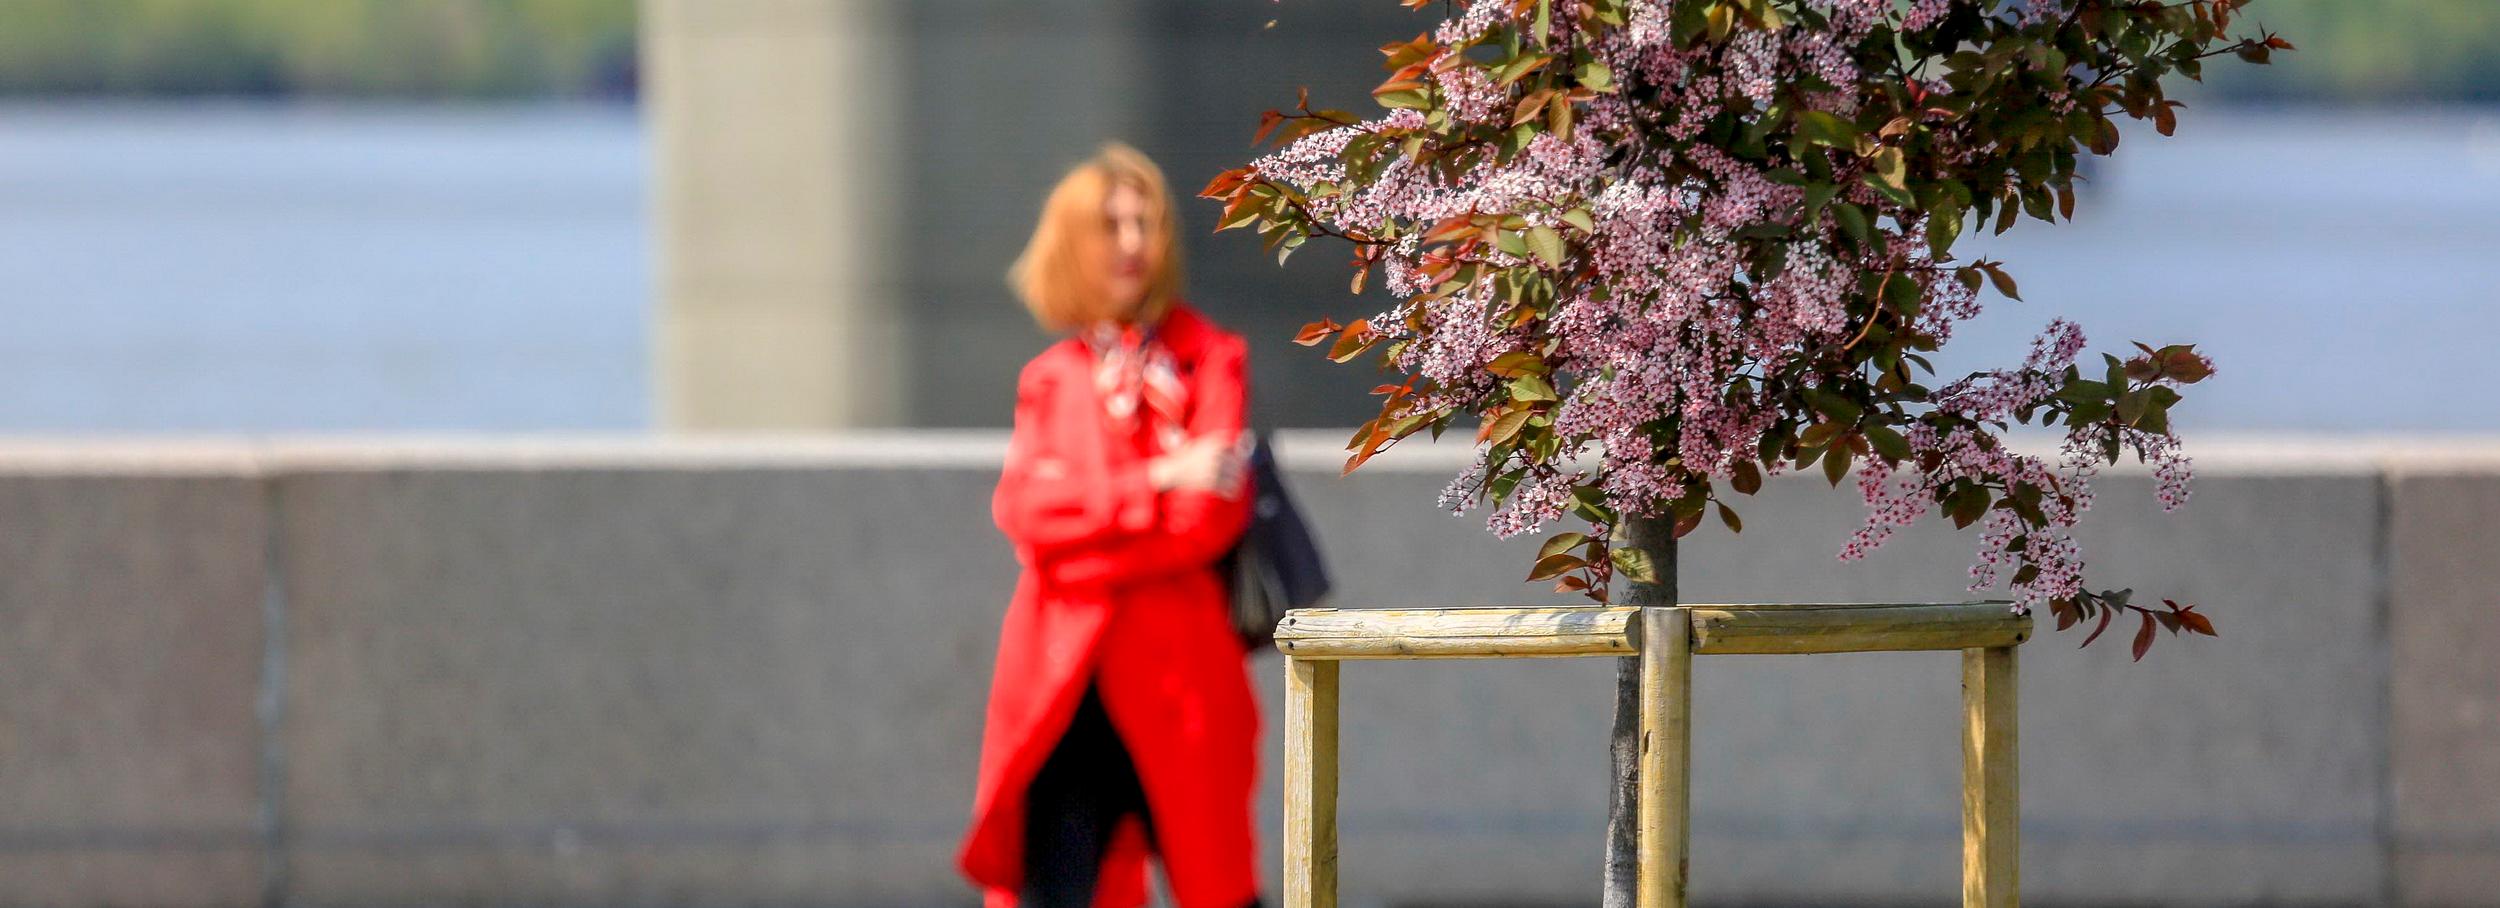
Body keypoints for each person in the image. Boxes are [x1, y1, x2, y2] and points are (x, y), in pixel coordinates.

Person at [957, 142, 1263, 908]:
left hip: (1182, 677)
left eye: (1145, 221)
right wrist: (1157, 477)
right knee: (1053, 888)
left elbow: (1206, 521)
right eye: (1110, 224)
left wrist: (1083, 537)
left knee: (1218, 885)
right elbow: (1025, 515)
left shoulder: (1211, 358)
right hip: (1061, 685)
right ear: (1072, 243)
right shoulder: (1051, 379)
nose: (1132, 242)